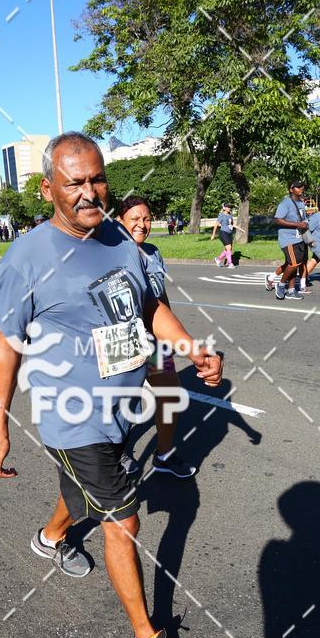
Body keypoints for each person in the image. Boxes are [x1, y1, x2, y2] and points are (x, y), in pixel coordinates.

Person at [0, 132, 223, 638]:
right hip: (70, 416)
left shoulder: (119, 237)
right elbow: (6, 350)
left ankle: (50, 538)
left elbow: (148, 306)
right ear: (48, 190)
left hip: (121, 411)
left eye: (97, 178)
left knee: (81, 497)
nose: (90, 192)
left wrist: (190, 349)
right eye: (75, 182)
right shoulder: (26, 259)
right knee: (123, 519)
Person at [116, 195, 197, 479]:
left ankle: (163, 455)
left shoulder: (153, 252)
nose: (142, 224)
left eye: (147, 218)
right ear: (120, 222)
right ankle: (117, 454)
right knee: (123, 402)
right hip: (123, 340)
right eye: (134, 219)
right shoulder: (110, 254)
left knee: (169, 394)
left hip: (154, 340)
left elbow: (161, 297)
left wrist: (174, 334)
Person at [265, 181, 309, 300]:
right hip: (288, 239)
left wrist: (306, 224)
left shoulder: (300, 203)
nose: (301, 188)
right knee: (294, 263)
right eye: (298, 187)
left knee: (294, 264)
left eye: (302, 187)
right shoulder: (285, 203)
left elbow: (303, 219)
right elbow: (278, 220)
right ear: (291, 189)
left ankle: (290, 290)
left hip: (299, 238)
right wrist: (297, 224)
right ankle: (281, 285)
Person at [211, 203, 236, 268]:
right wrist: (213, 235)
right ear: (224, 208)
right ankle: (230, 264)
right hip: (223, 233)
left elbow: (232, 224)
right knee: (229, 247)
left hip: (229, 234)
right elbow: (216, 225)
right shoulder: (221, 215)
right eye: (227, 207)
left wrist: (240, 229)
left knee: (228, 250)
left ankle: (218, 259)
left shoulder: (230, 216)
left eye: (230, 207)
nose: (229, 208)